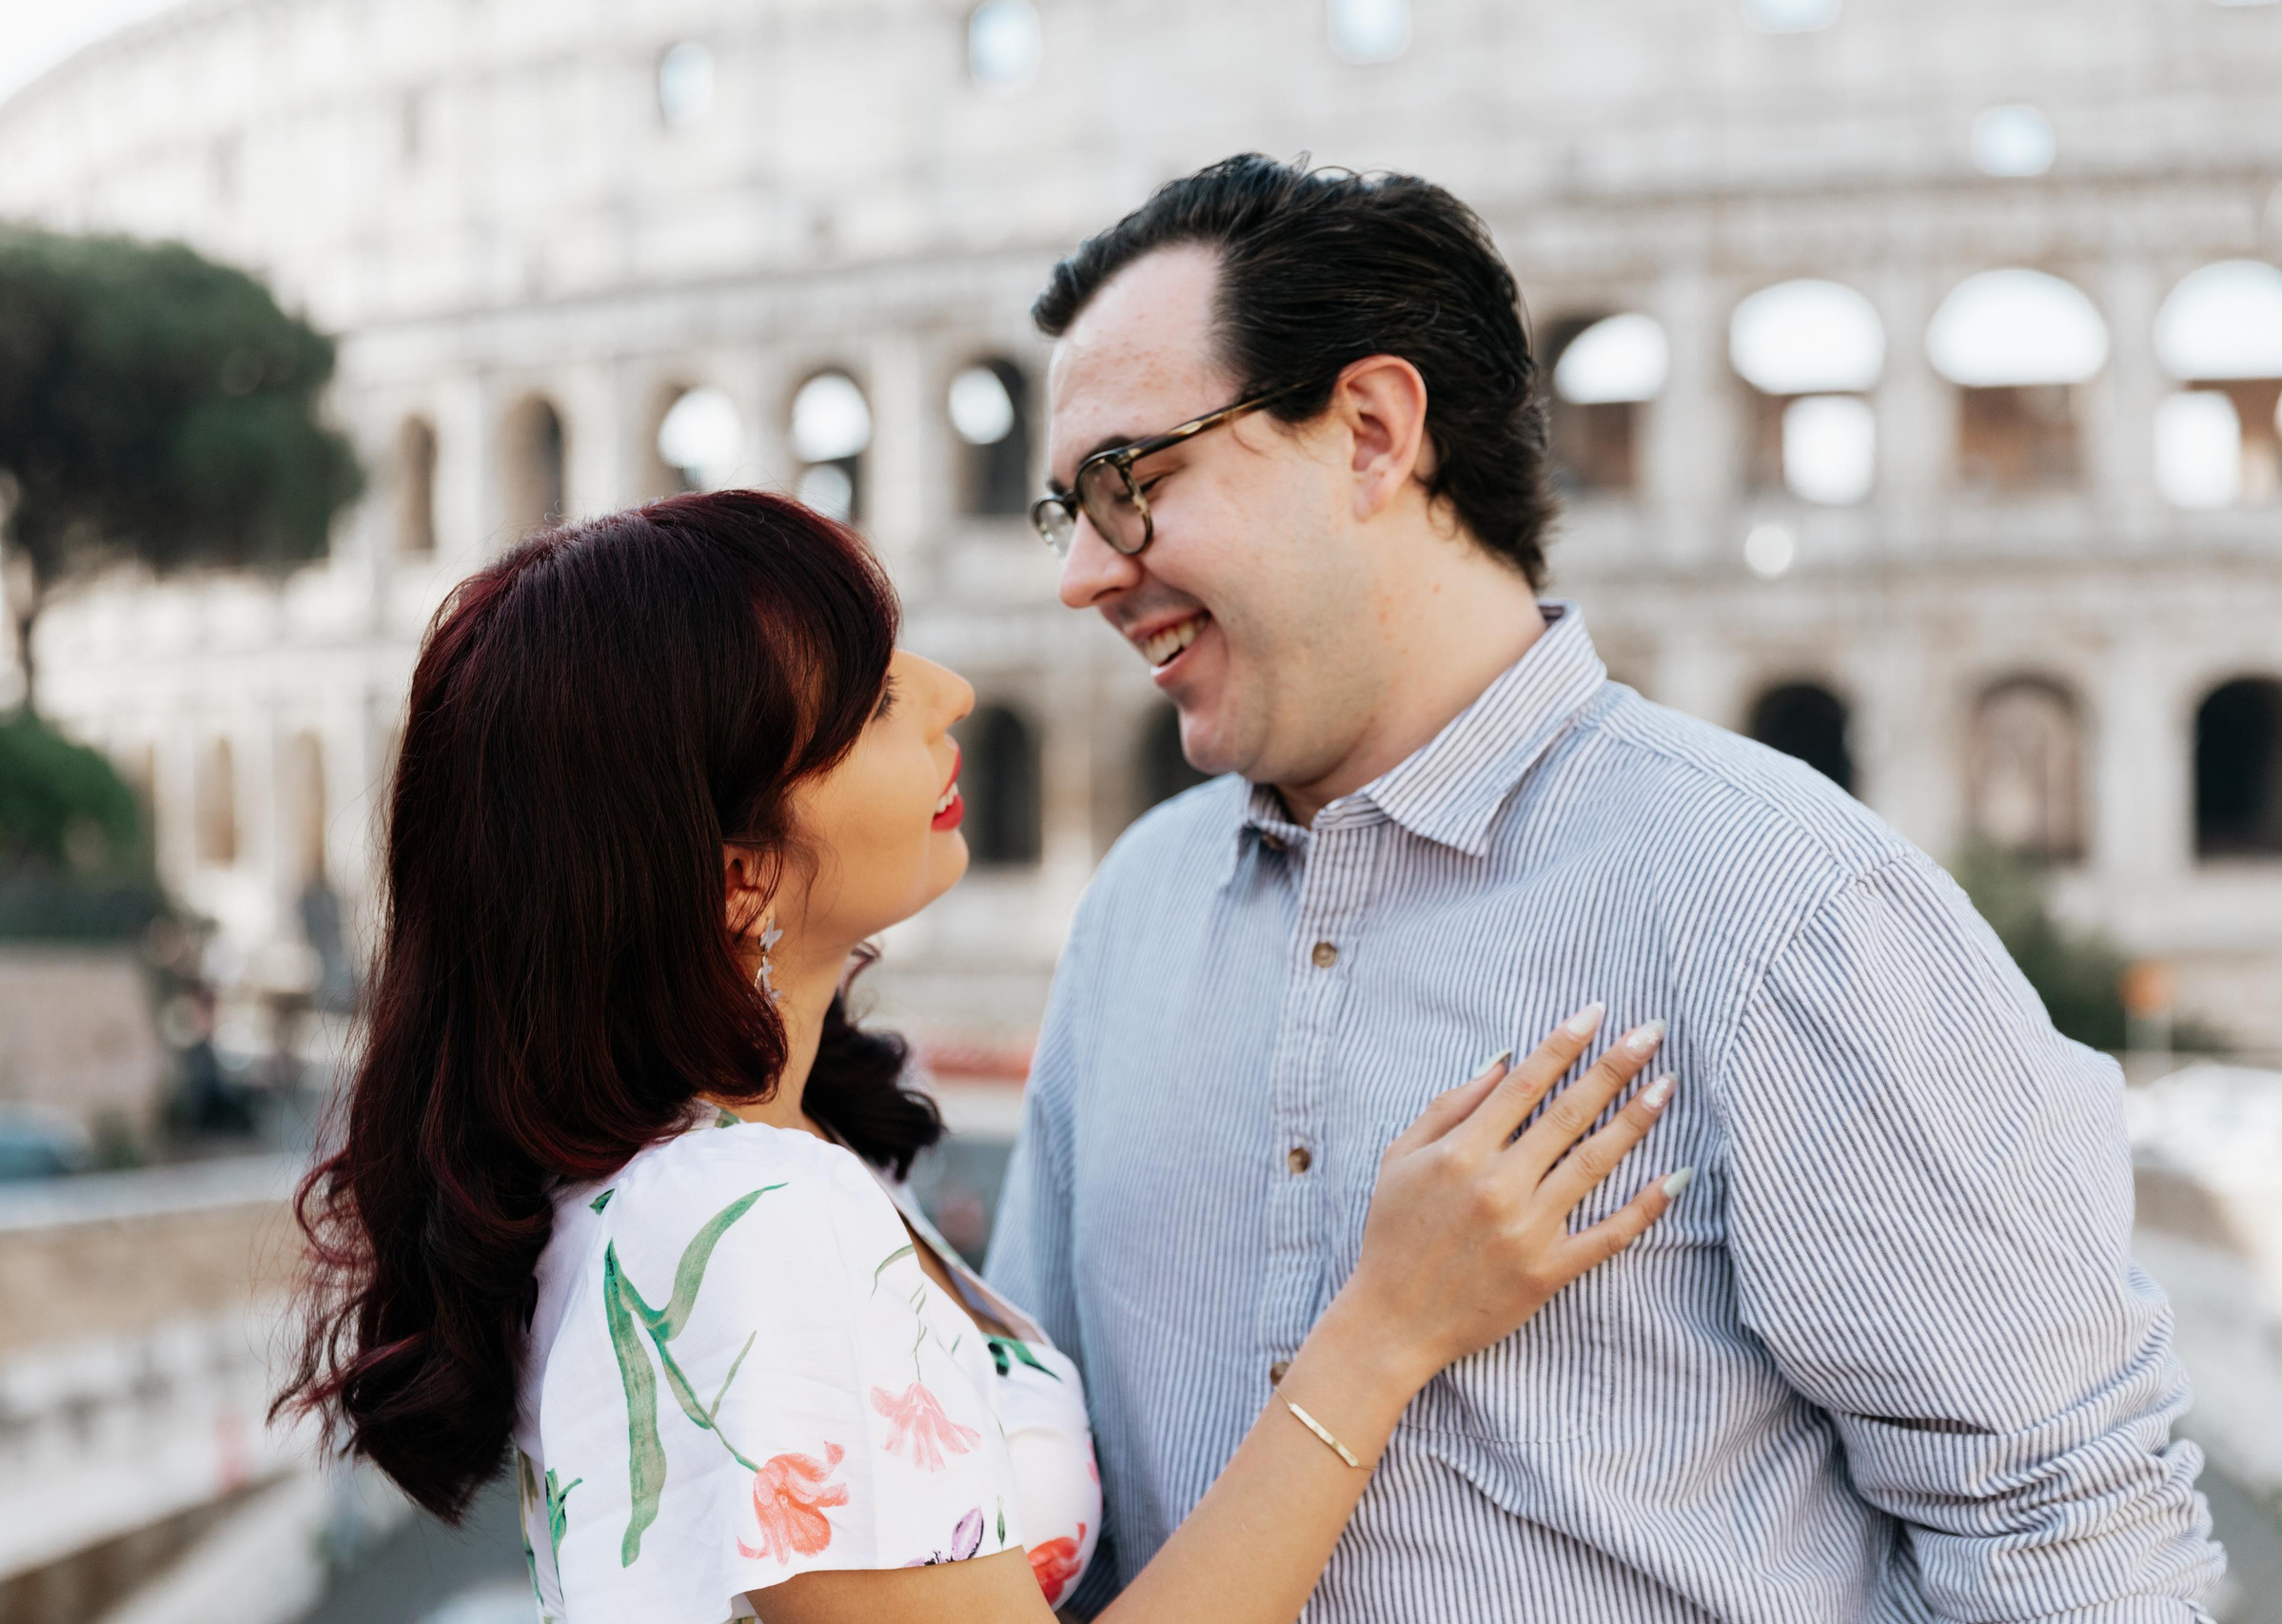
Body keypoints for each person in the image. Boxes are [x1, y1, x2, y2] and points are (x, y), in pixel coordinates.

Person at [986, 154, 2225, 1621]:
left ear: (1372, 433)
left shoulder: (1784, 903)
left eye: (1130, 484)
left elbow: (2072, 1537)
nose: (1083, 576)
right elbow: (1038, 1496)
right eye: (1068, 511)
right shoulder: (1133, 909)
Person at [274, 491, 1687, 1624]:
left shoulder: (707, 1173)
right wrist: (1384, 1336)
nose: (950, 693)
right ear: (738, 876)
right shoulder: (752, 1223)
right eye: (874, 700)